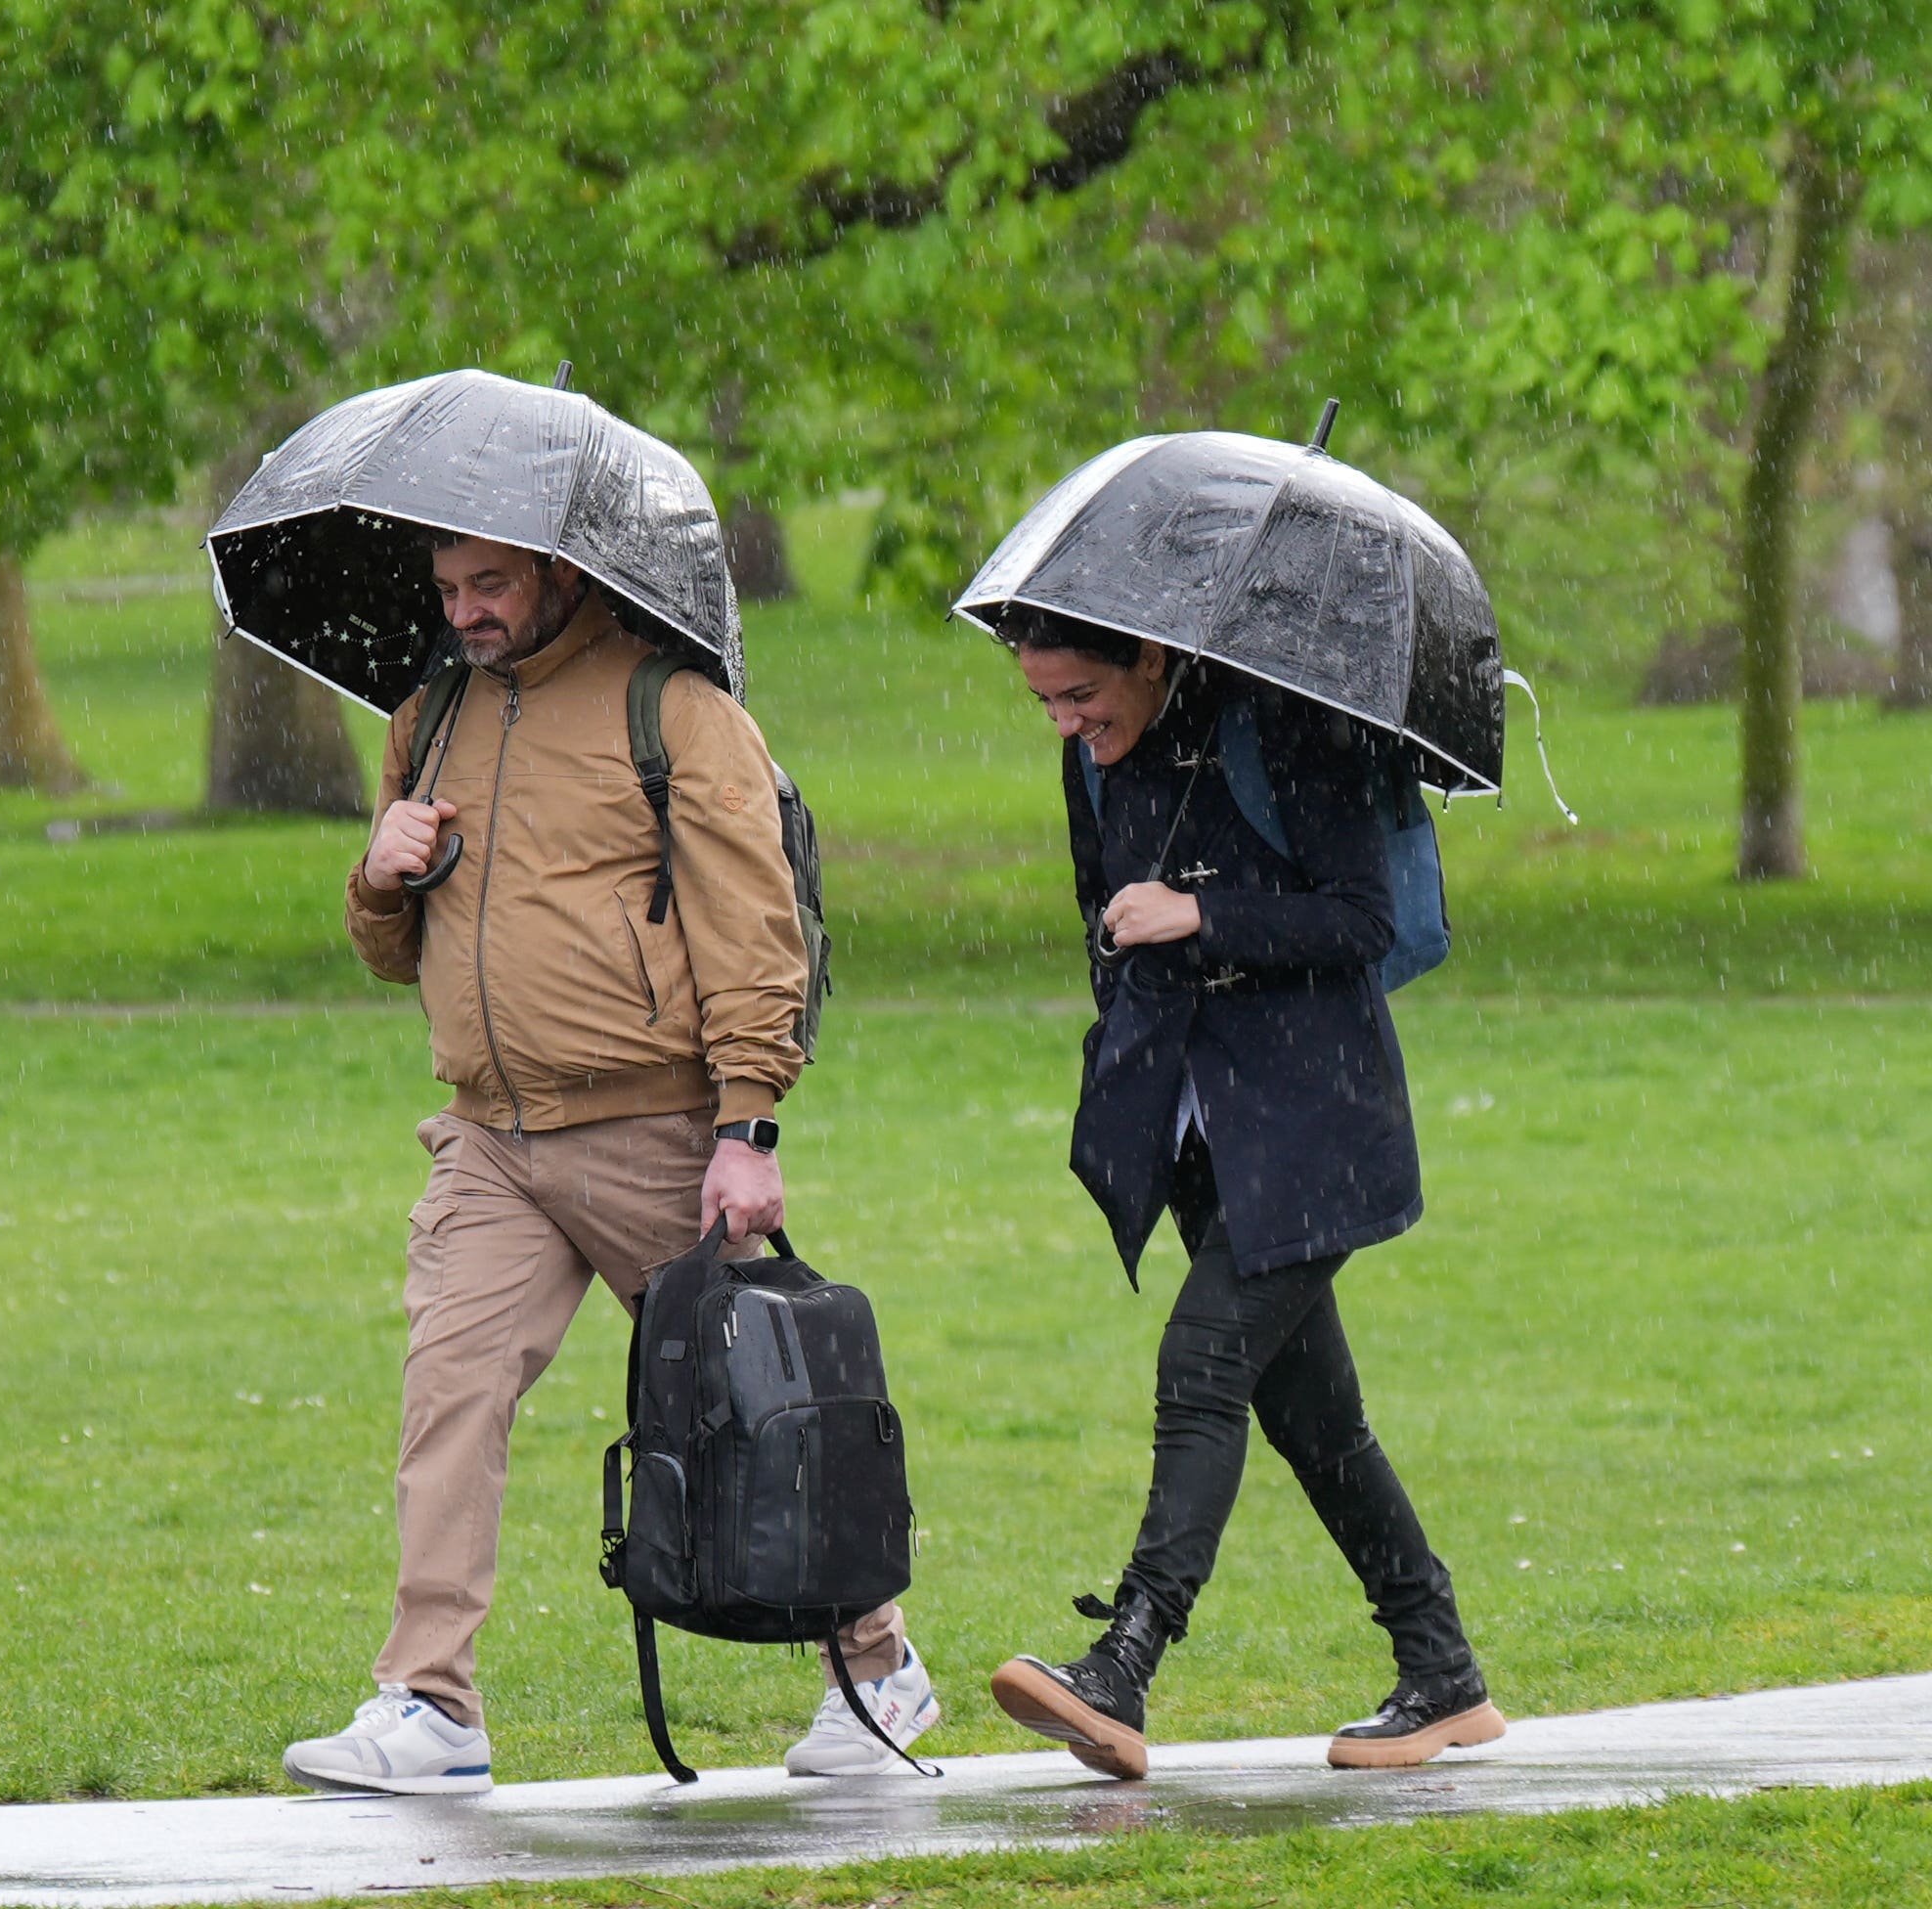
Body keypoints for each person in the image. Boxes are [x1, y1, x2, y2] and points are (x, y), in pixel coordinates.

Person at [280, 531, 936, 1795]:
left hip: (656, 1134)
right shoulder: (427, 719)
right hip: (488, 1139)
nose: (466, 612)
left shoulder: (674, 712)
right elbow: (390, 950)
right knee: (449, 1397)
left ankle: (877, 1666)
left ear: (563, 575)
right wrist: (377, 877)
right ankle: (430, 1707)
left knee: (755, 1407)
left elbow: (751, 929)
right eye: (449, 591)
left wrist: (747, 1126)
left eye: (493, 586)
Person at [984, 608, 1501, 1778]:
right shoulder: (1091, 760)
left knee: (1203, 1362)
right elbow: (1095, 913)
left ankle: (1123, 1663)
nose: (1067, 723)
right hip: (1197, 1136)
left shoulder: (1289, 728)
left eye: (1082, 696)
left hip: (1318, 1123)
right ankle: (1445, 1673)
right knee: (1312, 1417)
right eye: (1046, 703)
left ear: (1151, 656)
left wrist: (1202, 911)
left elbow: (1361, 917)